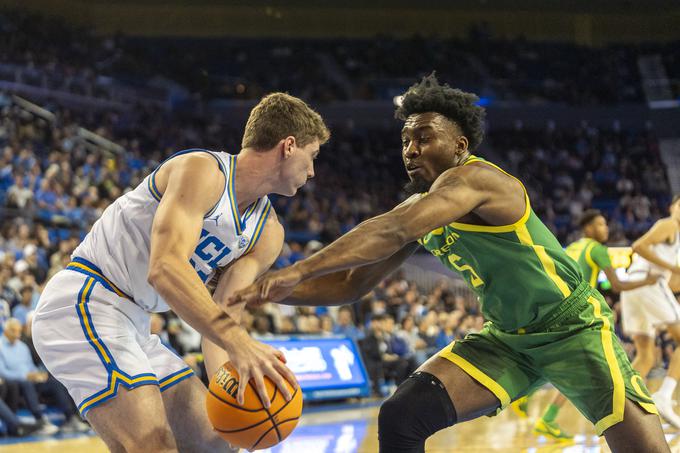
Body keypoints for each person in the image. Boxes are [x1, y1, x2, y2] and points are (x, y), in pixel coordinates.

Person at [232, 75, 669, 452]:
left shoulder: (477, 179)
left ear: (459, 145)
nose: (411, 150)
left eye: (423, 138)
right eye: (405, 141)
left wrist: (298, 269)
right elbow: (349, 284)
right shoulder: (425, 210)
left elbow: (392, 229)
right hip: (508, 340)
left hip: (572, 329)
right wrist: (266, 289)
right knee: (401, 416)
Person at [32, 92, 329, 452]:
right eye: (312, 157)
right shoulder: (202, 171)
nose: (312, 171)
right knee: (153, 444)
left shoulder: (268, 233)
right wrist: (239, 342)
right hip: (87, 300)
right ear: (288, 145)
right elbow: (165, 267)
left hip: (134, 324)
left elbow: (225, 314)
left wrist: (232, 387)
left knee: (217, 445)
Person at [522, 209, 661, 440]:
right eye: (600, 224)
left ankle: (539, 409)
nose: (605, 228)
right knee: (589, 369)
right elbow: (616, 285)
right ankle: (632, 419)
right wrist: (647, 281)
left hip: (554, 307)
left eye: (605, 224)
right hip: (577, 313)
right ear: (588, 228)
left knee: (568, 366)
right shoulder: (597, 249)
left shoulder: (573, 247)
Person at [620, 196, 680, 427]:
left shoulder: (674, 240)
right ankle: (664, 397)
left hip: (637, 287)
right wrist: (673, 268)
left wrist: (672, 271)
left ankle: (624, 408)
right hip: (648, 284)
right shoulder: (670, 224)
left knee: (645, 354)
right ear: (671, 207)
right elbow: (638, 246)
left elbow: (672, 283)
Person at [0, 318, 86, 434]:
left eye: (19, 331)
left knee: (54, 382)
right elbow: (3, 372)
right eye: (14, 331)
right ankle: (40, 421)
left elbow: (30, 366)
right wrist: (25, 376)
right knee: (26, 384)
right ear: (6, 331)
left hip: (31, 380)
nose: (17, 335)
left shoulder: (22, 347)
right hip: (17, 383)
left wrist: (38, 374)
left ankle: (70, 418)